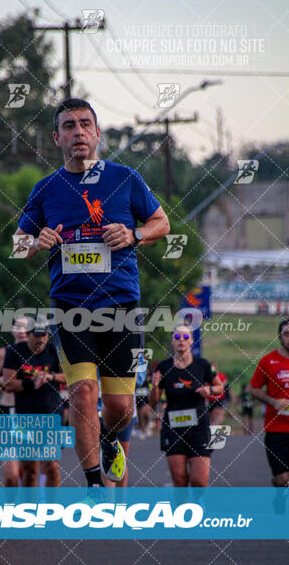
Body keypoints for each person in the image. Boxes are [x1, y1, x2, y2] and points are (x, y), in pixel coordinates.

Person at [17, 98, 169, 486]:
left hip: (120, 304)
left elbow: (161, 222)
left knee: (120, 407)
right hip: (71, 307)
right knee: (83, 392)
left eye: (85, 124)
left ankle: (108, 438)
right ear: (57, 137)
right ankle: (94, 486)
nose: (78, 132)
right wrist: (37, 241)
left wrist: (135, 234)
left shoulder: (125, 178)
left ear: (97, 133)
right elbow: (18, 245)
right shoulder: (46, 189)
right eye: (69, 126)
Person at [149, 325, 223, 487]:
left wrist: (209, 389)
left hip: (199, 427)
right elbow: (153, 401)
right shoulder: (164, 367)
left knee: (199, 481)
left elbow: (220, 387)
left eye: (185, 337)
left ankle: (198, 503)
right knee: (180, 479)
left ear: (192, 341)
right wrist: (155, 385)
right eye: (177, 337)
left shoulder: (202, 365)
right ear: (172, 341)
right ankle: (183, 510)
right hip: (173, 427)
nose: (181, 340)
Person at [3, 318, 66, 487]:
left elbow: (69, 376)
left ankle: (51, 508)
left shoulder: (54, 350)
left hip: (52, 415)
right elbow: (8, 384)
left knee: (52, 466)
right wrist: (31, 382)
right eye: (36, 336)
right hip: (26, 417)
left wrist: (50, 376)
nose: (41, 340)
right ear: (28, 335)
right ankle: (28, 508)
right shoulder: (14, 352)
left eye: (44, 335)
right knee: (29, 470)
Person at [0, 315, 28, 486]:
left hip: (30, 413)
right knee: (11, 474)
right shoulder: (3, 353)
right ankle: (9, 507)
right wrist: (1, 382)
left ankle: (30, 507)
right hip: (7, 411)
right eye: (17, 327)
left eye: (25, 327)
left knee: (28, 471)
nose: (21, 331)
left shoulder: (41, 353)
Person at [249, 319, 289, 486]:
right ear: (279, 336)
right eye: (287, 334)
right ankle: (278, 484)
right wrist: (272, 401)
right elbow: (253, 389)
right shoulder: (268, 361)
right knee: (283, 478)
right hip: (276, 429)